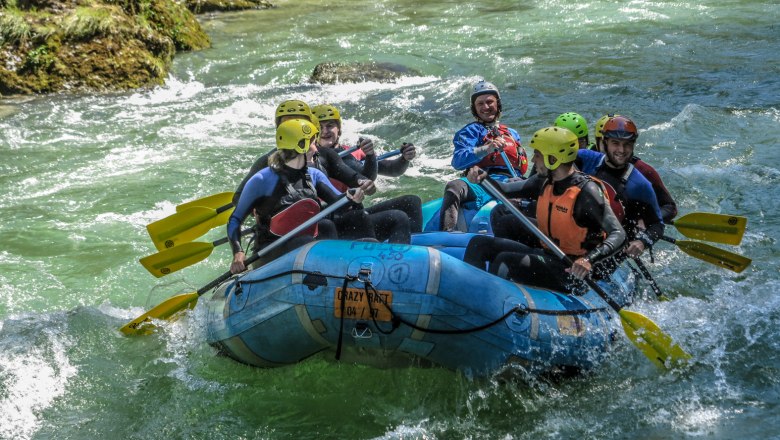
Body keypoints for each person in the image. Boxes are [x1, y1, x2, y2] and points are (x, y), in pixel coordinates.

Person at [463, 126, 626, 293]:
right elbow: (504, 190)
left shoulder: (587, 192)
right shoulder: (545, 180)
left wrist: (588, 260)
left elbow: (618, 234)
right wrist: (483, 177)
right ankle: (468, 296)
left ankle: (491, 305)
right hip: (549, 253)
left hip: (573, 271)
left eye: (538, 155)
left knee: (504, 261)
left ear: (553, 159)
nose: (533, 160)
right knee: (478, 245)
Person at [227, 119, 371, 274]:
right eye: (313, 141)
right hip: (271, 251)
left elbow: (338, 203)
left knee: (326, 226)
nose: (317, 146)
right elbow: (235, 219)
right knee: (307, 241)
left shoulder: (314, 175)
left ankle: (350, 268)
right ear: (301, 146)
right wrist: (238, 253)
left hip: (304, 250)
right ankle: (334, 270)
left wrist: (351, 197)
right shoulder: (262, 180)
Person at [312, 103, 423, 233]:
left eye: (330, 125)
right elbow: (367, 176)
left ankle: (416, 243)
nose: (325, 131)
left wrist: (404, 159)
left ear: (339, 129)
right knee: (397, 217)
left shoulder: (352, 153)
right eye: (320, 127)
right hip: (334, 220)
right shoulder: (313, 159)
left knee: (412, 201)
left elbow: (391, 169)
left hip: (356, 213)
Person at [438, 80, 529, 231]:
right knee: (454, 186)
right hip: (481, 182)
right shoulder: (471, 131)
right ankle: (447, 233)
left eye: (489, 102)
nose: (485, 107)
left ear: (498, 104)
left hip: (511, 181)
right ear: (474, 108)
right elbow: (458, 161)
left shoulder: (512, 133)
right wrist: (487, 149)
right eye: (480, 104)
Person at [576, 116, 665, 258]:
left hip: (609, 251)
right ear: (605, 143)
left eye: (627, 144)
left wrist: (642, 241)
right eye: (615, 143)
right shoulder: (585, 158)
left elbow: (657, 225)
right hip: (576, 236)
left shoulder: (640, 185)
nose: (621, 150)